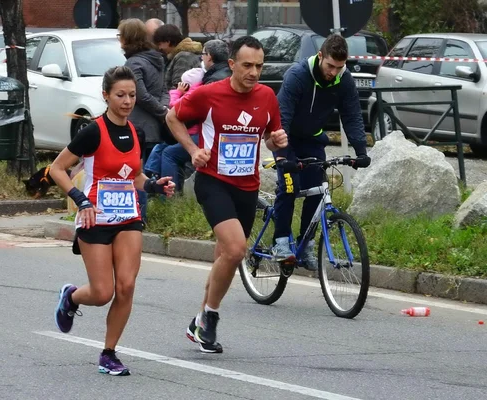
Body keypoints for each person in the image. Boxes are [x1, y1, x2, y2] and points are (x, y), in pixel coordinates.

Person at [49, 66, 175, 376]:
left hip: (128, 217)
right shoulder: (92, 131)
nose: (128, 101)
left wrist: (155, 185)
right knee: (102, 292)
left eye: (132, 95)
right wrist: (81, 200)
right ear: (106, 96)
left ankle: (109, 353)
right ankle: (72, 297)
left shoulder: (137, 132)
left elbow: (133, 177)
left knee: (127, 286)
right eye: (120, 95)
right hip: (96, 218)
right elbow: (56, 169)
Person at [165, 36, 288, 353]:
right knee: (235, 250)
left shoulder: (267, 97)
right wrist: (193, 150)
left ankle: (198, 323)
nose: (254, 72)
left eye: (259, 66)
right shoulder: (209, 94)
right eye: (247, 65)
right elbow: (172, 117)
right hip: (213, 181)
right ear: (232, 64)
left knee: (225, 257)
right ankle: (211, 317)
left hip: (248, 186)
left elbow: (270, 139)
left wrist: (277, 140)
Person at [271, 34, 371, 270]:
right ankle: (281, 242)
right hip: (287, 138)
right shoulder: (298, 75)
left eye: (339, 67)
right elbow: (282, 115)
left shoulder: (344, 79)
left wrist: (361, 151)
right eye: (330, 66)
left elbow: (352, 115)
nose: (334, 72)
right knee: (289, 185)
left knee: (317, 191)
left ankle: (305, 245)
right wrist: (284, 155)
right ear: (320, 57)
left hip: (313, 139)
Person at [119, 18, 170, 221]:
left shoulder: (133, 63)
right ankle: (146, 213)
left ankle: (138, 217)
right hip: (154, 127)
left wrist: (161, 112)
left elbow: (138, 95)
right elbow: (163, 90)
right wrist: (164, 111)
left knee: (135, 174)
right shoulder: (156, 59)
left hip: (137, 127)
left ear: (127, 38)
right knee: (146, 172)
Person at [153, 24, 202, 90]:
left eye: (160, 44)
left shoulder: (183, 57)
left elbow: (178, 87)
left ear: (168, 41)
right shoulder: (181, 56)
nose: (159, 48)